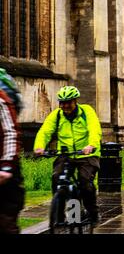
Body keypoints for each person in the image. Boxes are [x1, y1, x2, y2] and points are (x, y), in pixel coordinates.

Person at [34, 86, 102, 224]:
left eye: (68, 102)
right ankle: (59, 217)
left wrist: (91, 145)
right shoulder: (57, 115)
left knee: (85, 183)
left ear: (75, 101)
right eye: (62, 102)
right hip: (66, 154)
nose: (64, 106)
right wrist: (39, 147)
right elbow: (45, 131)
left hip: (87, 154)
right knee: (57, 178)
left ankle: (92, 214)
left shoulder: (86, 111)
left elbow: (95, 129)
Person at [0, 69, 24, 234]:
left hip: (5, 170)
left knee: (5, 222)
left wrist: (7, 167)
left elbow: (10, 132)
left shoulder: (2, 100)